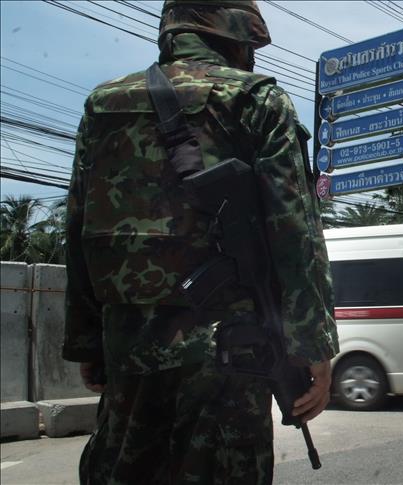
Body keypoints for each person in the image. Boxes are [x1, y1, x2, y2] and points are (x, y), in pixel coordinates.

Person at [63, 1, 339, 483]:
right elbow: (296, 233)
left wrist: (89, 342)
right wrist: (313, 345)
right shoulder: (256, 100)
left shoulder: (102, 104)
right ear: (238, 36)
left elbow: (79, 229)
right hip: (228, 355)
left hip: (128, 348)